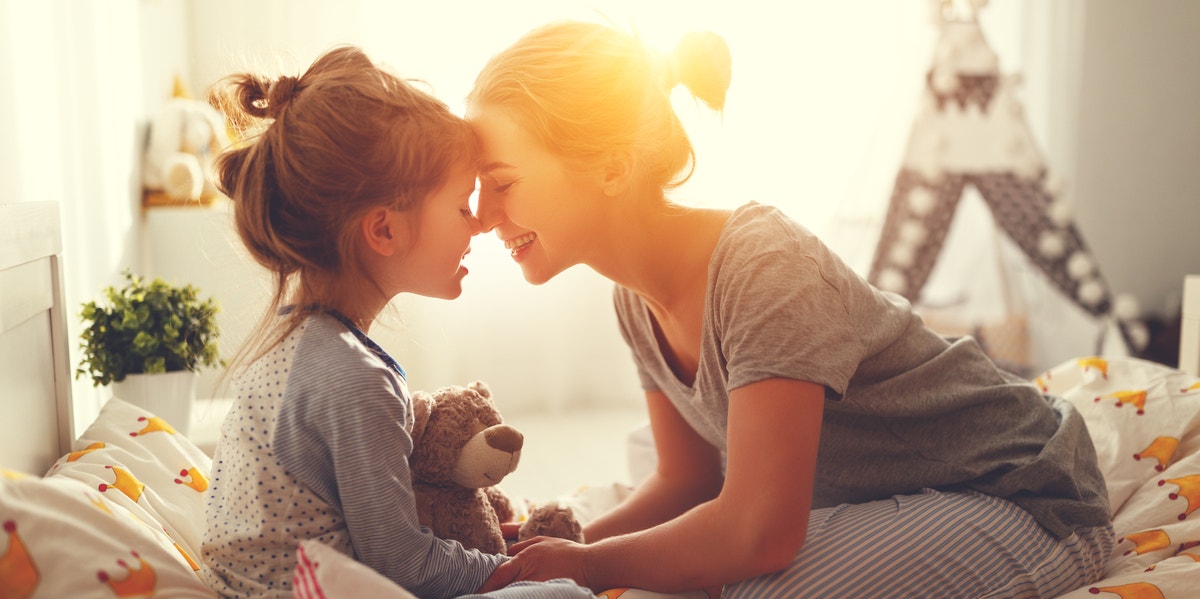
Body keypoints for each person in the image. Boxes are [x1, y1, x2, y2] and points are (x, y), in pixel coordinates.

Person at [467, 21, 1114, 598]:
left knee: (749, 583)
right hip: (897, 493)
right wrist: (542, 552)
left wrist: (586, 566)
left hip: (1023, 494)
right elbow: (686, 478)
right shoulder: (633, 297)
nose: (484, 216)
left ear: (610, 166)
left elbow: (761, 534)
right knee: (684, 559)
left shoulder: (763, 264)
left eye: (503, 183)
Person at [201, 46, 593, 599]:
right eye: (461, 206)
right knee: (568, 595)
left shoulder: (294, 344)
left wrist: (483, 549)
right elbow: (400, 562)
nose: (479, 223)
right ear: (384, 231)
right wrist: (506, 571)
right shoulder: (357, 380)